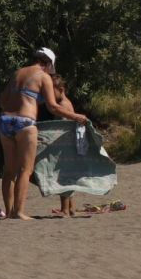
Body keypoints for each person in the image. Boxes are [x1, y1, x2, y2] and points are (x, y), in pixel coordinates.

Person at [0, 46, 86, 221]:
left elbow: (2, 100)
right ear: (49, 64)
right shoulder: (43, 76)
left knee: (9, 170)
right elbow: (53, 106)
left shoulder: (17, 73)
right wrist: (76, 116)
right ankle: (19, 212)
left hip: (4, 121)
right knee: (25, 169)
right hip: (25, 123)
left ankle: (8, 212)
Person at [50, 74, 80, 218]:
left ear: (61, 89)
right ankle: (72, 208)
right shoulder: (67, 103)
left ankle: (65, 210)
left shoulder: (63, 105)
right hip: (69, 145)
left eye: (52, 91)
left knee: (62, 179)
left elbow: (62, 129)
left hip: (65, 146)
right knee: (68, 177)